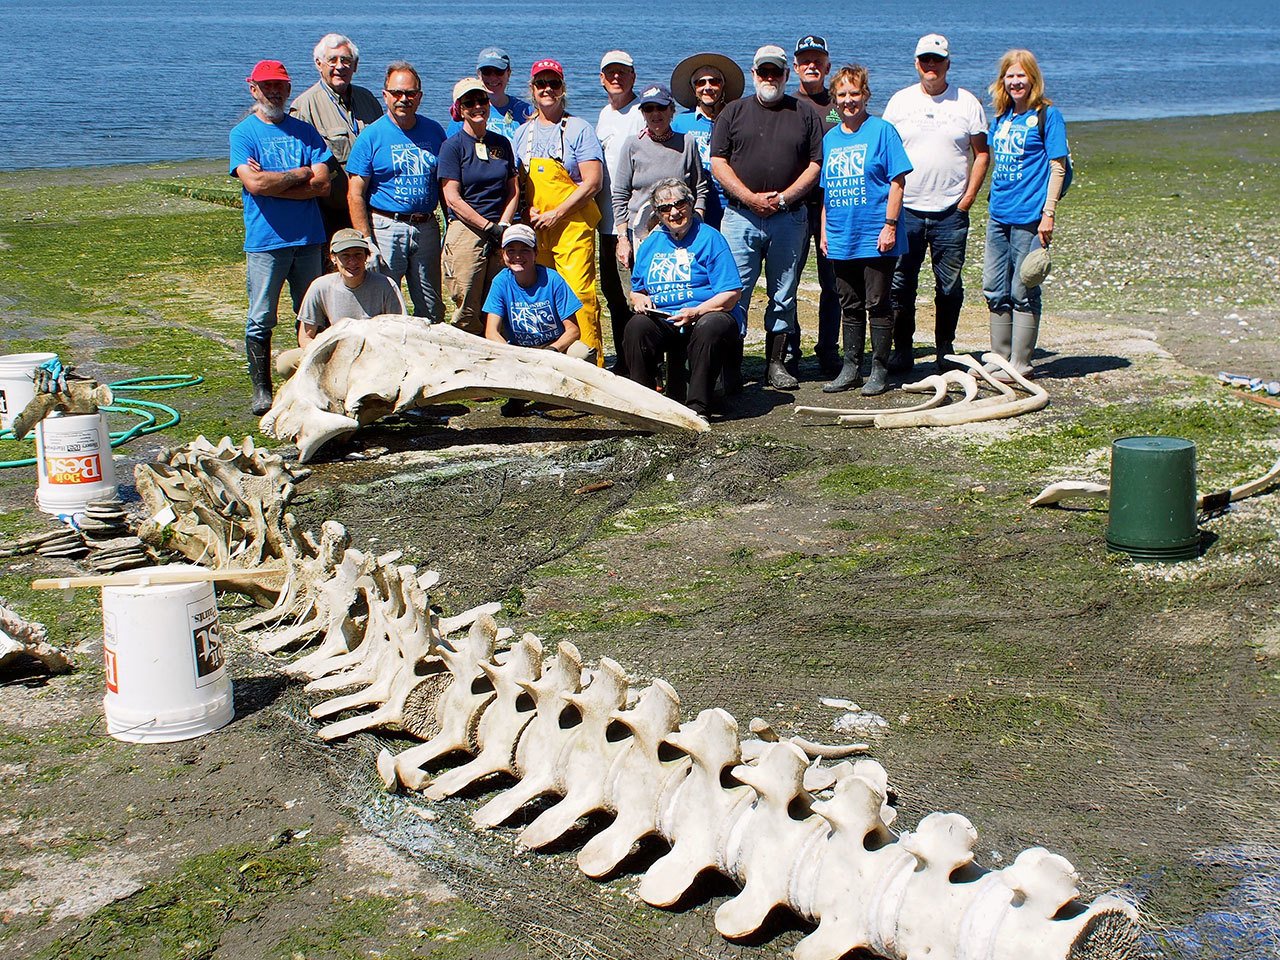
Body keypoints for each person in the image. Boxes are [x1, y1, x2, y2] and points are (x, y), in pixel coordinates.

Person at [710, 44, 823, 391]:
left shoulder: (804, 114)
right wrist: (749, 197)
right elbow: (718, 162)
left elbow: (815, 166)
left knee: (784, 294)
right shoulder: (733, 112)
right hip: (740, 217)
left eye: (776, 71)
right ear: (754, 73)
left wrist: (784, 198)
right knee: (734, 292)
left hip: (789, 219)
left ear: (787, 75)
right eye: (764, 71)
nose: (769, 77)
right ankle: (731, 367)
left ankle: (775, 363)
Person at [883, 34, 990, 374]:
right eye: (925, 60)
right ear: (917, 63)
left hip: (950, 212)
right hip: (907, 210)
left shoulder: (966, 102)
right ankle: (903, 349)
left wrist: (968, 199)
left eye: (937, 60)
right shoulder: (900, 102)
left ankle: (945, 347)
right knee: (901, 284)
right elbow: (885, 151)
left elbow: (982, 153)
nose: (931, 66)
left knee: (949, 286)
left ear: (948, 63)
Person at [230, 59, 332, 415]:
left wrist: (276, 182)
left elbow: (321, 185)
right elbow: (253, 183)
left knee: (311, 314)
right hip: (265, 242)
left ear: (288, 89)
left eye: (280, 85)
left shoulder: (306, 132)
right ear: (253, 88)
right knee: (261, 316)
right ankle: (262, 389)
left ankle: (312, 380)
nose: (274, 91)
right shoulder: (243, 134)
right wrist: (298, 173)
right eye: (266, 85)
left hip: (308, 239)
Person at [820, 64, 912, 396]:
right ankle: (850, 368)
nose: (849, 100)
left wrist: (890, 225)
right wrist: (825, 232)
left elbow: (898, 181)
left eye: (854, 93)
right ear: (834, 99)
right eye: (842, 95)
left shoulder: (882, 131)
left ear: (866, 95)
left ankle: (879, 369)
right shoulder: (830, 138)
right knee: (850, 303)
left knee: (878, 302)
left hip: (876, 233)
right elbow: (826, 191)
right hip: (842, 234)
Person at [511, 58, 606, 364]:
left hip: (573, 227)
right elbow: (517, 184)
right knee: (542, 299)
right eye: (541, 83)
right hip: (536, 230)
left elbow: (592, 182)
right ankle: (552, 364)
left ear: (563, 88)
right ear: (532, 89)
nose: (547, 89)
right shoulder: (521, 134)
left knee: (579, 295)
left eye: (554, 83)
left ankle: (591, 365)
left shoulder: (579, 128)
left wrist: (557, 213)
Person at [624, 178, 742, 417]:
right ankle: (645, 406)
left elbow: (731, 294)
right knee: (636, 327)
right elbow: (636, 290)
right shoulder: (650, 244)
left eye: (680, 204)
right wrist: (639, 300)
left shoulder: (710, 238)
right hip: (665, 318)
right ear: (658, 213)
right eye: (665, 208)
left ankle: (697, 408)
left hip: (705, 315)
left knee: (711, 325)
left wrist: (697, 312)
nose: (674, 212)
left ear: (690, 203)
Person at [983, 49, 1068, 378]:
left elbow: (1057, 166)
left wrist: (1049, 213)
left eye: (1021, 75)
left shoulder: (1048, 115)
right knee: (994, 286)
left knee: (1024, 288)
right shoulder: (1003, 117)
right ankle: (999, 358)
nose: (1015, 81)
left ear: (1033, 78)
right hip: (998, 214)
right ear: (1002, 80)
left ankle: (1021, 363)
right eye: (1010, 75)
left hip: (1030, 216)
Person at [347, 61, 448, 321]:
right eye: (397, 93)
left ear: (420, 96)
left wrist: (450, 227)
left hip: (426, 226)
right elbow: (355, 193)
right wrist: (366, 240)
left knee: (431, 306)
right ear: (385, 95)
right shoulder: (371, 136)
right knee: (384, 303)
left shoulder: (434, 131)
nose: (404, 99)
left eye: (410, 93)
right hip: (386, 227)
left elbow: (445, 184)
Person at [483, 224, 595, 414]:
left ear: (535, 253)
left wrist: (552, 350)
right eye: (511, 250)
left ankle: (579, 397)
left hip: (555, 346)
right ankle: (518, 395)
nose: (518, 256)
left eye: (524, 250)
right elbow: (491, 331)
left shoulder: (553, 279)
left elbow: (573, 330)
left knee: (583, 353)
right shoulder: (500, 282)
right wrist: (512, 354)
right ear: (502, 255)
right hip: (520, 349)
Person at [439, 77, 519, 335]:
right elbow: (452, 197)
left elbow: (513, 189)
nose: (477, 107)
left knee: (499, 304)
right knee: (467, 305)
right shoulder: (452, 147)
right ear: (460, 109)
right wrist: (487, 227)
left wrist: (503, 225)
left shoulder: (501, 144)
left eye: (481, 100)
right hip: (466, 231)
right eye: (469, 102)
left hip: (500, 229)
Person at [288, 34, 384, 246]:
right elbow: (301, 167)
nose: (340, 66)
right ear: (319, 64)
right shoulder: (304, 107)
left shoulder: (368, 99)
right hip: (331, 213)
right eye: (332, 60)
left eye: (346, 60)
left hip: (373, 208)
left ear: (356, 66)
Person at [275, 229, 406, 377]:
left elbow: (400, 332)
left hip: (375, 352)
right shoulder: (320, 286)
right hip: (335, 351)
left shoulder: (386, 285)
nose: (352, 262)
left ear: (366, 257)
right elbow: (305, 336)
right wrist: (325, 354)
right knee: (285, 363)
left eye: (358, 255)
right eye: (345, 256)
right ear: (333, 258)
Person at [792, 34, 842, 376]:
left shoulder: (839, 104)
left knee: (834, 284)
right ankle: (788, 349)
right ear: (795, 67)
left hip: (834, 206)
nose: (812, 66)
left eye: (817, 61)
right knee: (788, 281)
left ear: (826, 66)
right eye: (805, 60)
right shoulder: (785, 102)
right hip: (794, 204)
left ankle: (828, 349)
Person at [595, 51, 647, 375]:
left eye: (622, 72)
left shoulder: (641, 113)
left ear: (633, 76)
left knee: (638, 294)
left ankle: (643, 363)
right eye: (610, 73)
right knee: (613, 294)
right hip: (605, 223)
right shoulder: (602, 116)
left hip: (634, 224)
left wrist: (626, 226)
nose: (616, 77)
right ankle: (625, 361)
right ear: (601, 79)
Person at [611, 84, 706, 259]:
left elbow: (699, 188)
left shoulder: (688, 143)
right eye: (649, 109)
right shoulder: (632, 145)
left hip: (680, 228)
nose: (656, 114)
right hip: (639, 231)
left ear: (671, 111)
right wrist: (623, 238)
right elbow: (620, 194)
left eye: (661, 107)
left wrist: (697, 221)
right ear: (643, 113)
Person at [670, 52, 745, 231]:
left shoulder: (738, 118)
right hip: (694, 203)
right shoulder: (681, 123)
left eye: (714, 81)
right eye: (700, 82)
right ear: (693, 88)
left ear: (723, 85)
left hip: (732, 204)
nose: (708, 87)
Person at [446, 47, 535, 142]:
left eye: (498, 72)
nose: (493, 78)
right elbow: (451, 147)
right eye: (487, 72)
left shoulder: (526, 111)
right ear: (479, 75)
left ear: (508, 73)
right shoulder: (467, 110)